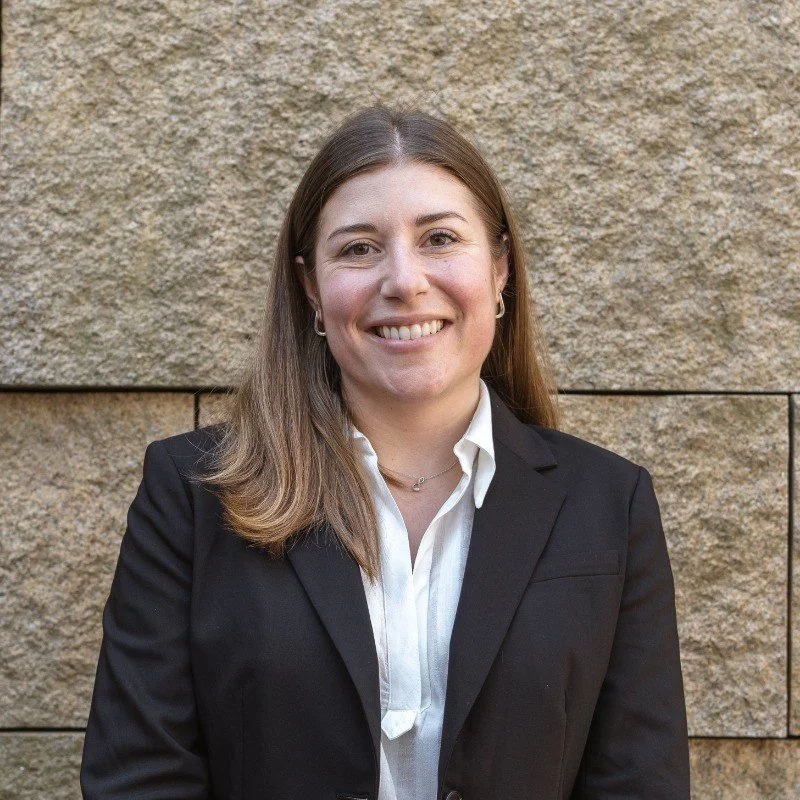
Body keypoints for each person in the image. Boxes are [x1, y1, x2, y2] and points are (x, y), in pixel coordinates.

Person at [80, 104, 690, 800]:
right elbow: (138, 781)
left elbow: (640, 785)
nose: (403, 280)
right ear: (311, 288)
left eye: (439, 238)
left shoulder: (609, 506)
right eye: (358, 248)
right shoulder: (191, 494)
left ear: (499, 271)